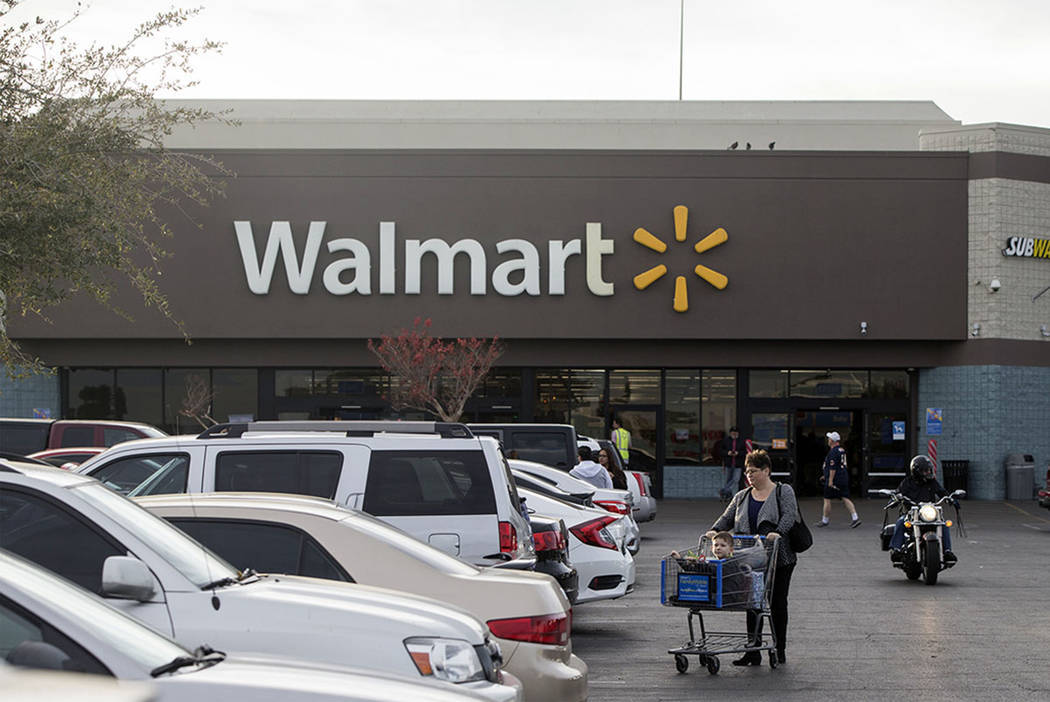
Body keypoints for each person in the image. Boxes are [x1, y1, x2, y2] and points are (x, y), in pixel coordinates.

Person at [706, 449, 797, 666]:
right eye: (747, 471)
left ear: (766, 471)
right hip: (750, 559)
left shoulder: (782, 492)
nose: (749, 475)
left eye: (754, 471)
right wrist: (715, 529)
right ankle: (753, 650)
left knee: (776, 603)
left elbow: (790, 515)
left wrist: (778, 533)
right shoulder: (742, 496)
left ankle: (779, 648)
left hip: (779, 558)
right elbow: (727, 518)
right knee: (751, 602)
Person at [889, 455, 958, 564]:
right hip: (912, 513)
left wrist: (951, 499)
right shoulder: (907, 482)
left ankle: (947, 551)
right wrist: (894, 499)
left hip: (929, 513)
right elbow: (898, 492)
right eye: (925, 471)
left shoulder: (932, 482)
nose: (928, 473)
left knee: (944, 524)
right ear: (916, 471)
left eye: (929, 470)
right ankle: (896, 550)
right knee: (900, 522)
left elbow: (941, 492)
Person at [817, 431, 861, 528]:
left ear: (832, 441)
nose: (828, 440)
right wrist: (825, 475)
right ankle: (855, 517)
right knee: (845, 497)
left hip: (835, 478)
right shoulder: (842, 450)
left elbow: (833, 467)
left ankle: (825, 520)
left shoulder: (833, 452)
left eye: (829, 439)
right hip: (843, 477)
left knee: (827, 499)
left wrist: (830, 480)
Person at [718, 426, 746, 503]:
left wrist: (738, 453)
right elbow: (720, 451)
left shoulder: (741, 441)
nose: (734, 434)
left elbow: (745, 452)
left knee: (736, 479)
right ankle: (727, 496)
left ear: (738, 433)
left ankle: (723, 491)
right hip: (728, 463)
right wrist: (728, 453)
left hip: (738, 464)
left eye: (736, 433)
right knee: (728, 480)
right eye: (733, 433)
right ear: (730, 433)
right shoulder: (725, 440)